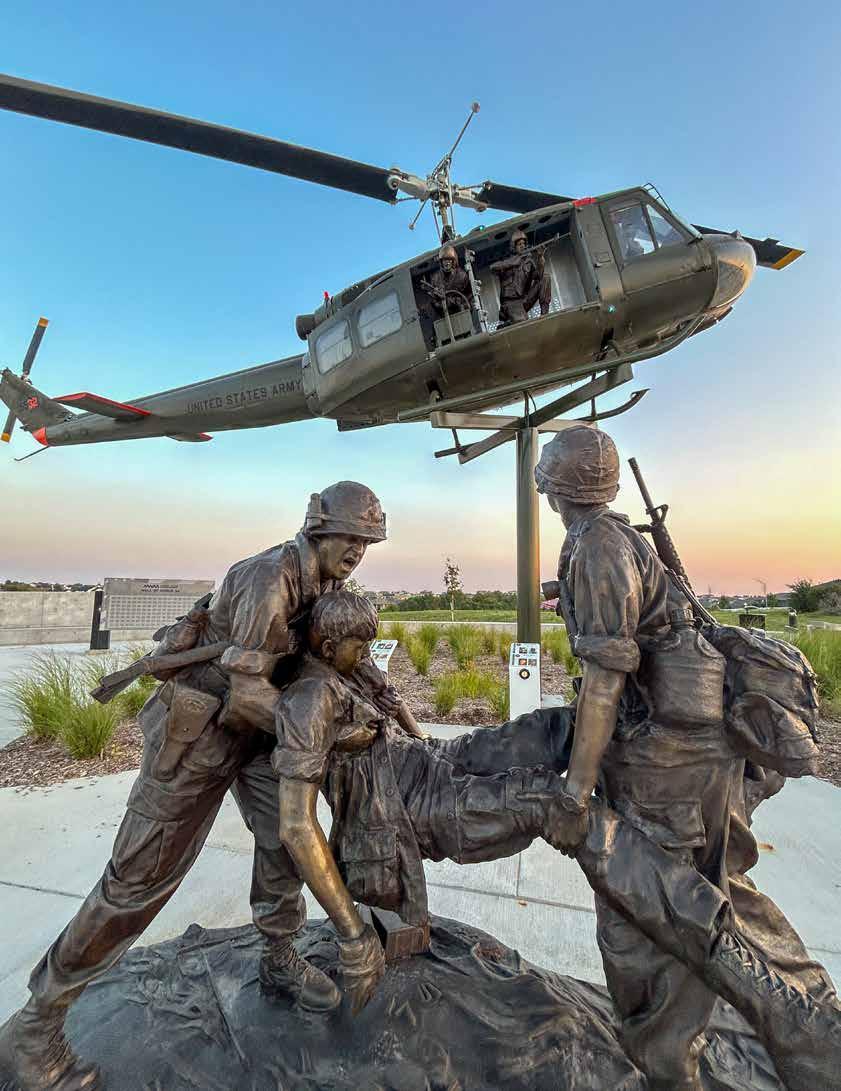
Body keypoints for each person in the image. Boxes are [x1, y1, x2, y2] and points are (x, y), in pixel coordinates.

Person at [0, 481, 398, 1091]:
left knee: (284, 840)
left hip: (256, 732)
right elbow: (245, 692)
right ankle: (36, 1025)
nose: (357, 552)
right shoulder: (269, 579)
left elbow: (331, 660)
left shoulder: (326, 585)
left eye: (366, 542)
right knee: (137, 880)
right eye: (350, 538)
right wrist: (326, 731)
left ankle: (278, 955)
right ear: (319, 529)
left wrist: (375, 699)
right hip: (198, 734)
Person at [533, 424, 839, 1091]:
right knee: (717, 889)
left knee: (644, 921)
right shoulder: (611, 540)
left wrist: (575, 789)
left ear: (552, 483)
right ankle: (815, 1023)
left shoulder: (599, 545)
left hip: (665, 764)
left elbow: (606, 679)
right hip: (689, 754)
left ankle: (671, 1067)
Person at [490, 228, 551, 325]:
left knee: (545, 278)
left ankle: (545, 315)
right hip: (511, 303)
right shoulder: (507, 261)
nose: (522, 246)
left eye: (523, 244)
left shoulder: (528, 262)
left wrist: (540, 257)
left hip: (524, 300)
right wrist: (515, 262)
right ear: (514, 247)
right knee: (523, 323)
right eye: (519, 244)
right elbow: (492, 268)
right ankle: (508, 322)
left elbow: (539, 276)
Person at [422, 244, 472, 318]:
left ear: (453, 261)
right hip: (444, 315)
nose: (447, 262)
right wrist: (437, 298)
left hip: (461, 312)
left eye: (449, 260)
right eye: (445, 260)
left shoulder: (462, 275)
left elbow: (469, 295)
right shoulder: (435, 278)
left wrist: (452, 301)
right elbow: (434, 301)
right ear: (441, 262)